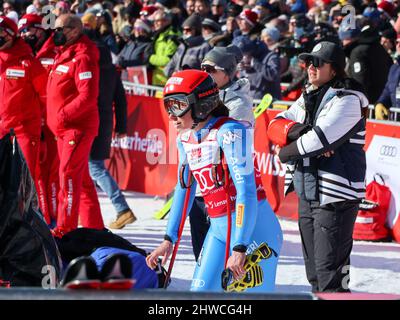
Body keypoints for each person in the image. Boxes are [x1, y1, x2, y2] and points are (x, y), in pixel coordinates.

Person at [146, 69, 282, 292]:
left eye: (177, 106)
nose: (171, 115)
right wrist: (168, 239)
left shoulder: (230, 132)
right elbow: (184, 189)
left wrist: (240, 247)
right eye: (168, 105)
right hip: (218, 229)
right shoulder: (186, 139)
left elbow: (245, 191)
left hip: (253, 230)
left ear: (201, 104)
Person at [268, 41, 368, 292]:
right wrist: (300, 131)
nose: (310, 67)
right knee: (314, 274)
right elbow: (275, 124)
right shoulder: (308, 95)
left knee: (331, 276)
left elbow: (318, 140)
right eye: (308, 62)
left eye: (317, 63)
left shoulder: (349, 99)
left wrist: (284, 152)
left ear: (334, 69)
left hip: (335, 196)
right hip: (308, 190)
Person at [183, 45, 255, 262]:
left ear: (227, 73)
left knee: (220, 260)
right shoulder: (200, 97)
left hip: (224, 187)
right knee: (201, 257)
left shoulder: (238, 104)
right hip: (201, 186)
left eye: (211, 69)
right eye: (202, 67)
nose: (205, 73)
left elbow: (214, 142)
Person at [46, 14, 104, 237]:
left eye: (61, 29)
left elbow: (88, 96)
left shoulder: (83, 57)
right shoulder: (64, 53)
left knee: (68, 177)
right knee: (82, 181)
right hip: (63, 129)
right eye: (55, 29)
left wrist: (62, 116)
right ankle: (95, 230)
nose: (56, 33)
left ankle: (65, 229)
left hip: (76, 127)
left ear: (75, 30)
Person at [0, 16, 46, 183]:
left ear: (11, 34)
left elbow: (45, 96)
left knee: (22, 183)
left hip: (24, 132)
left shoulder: (29, 63)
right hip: (2, 130)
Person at [148, 9, 180, 86]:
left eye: (158, 21)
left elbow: (168, 60)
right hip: (157, 80)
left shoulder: (172, 36)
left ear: (167, 21)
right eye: (154, 21)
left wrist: (150, 58)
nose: (155, 23)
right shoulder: (158, 35)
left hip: (166, 82)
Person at [375, 34, 400, 121]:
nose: (398, 45)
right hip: (395, 120)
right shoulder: (394, 67)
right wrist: (380, 103)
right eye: (397, 42)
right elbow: (388, 90)